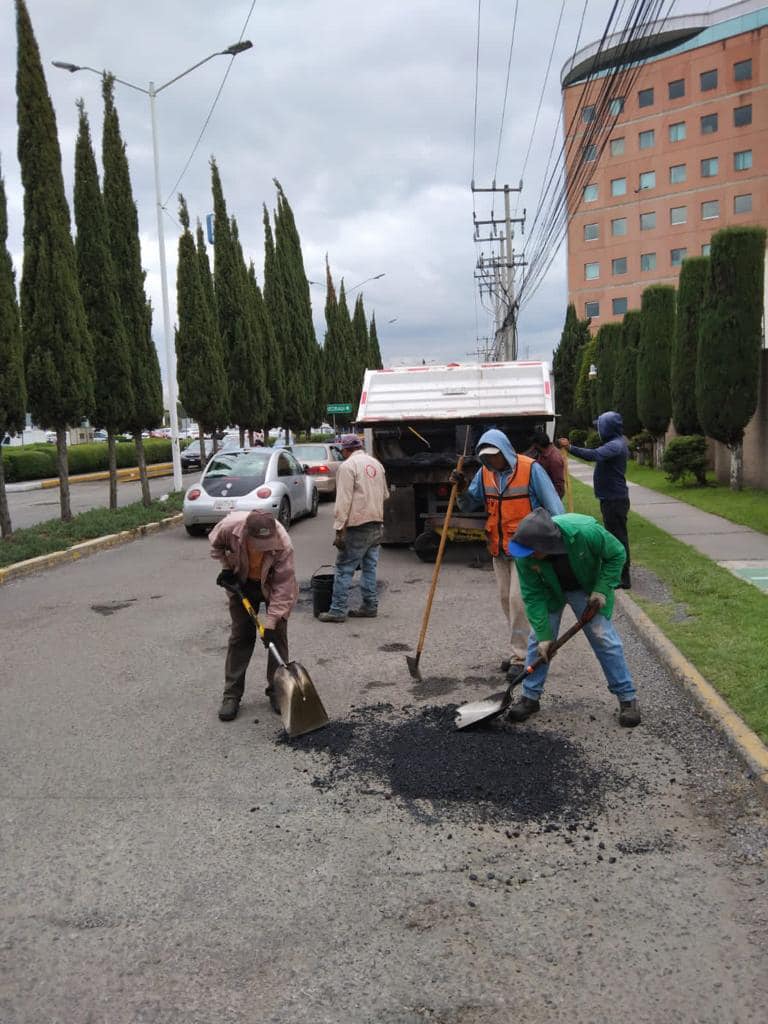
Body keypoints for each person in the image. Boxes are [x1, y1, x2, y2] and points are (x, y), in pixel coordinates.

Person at [504, 507, 640, 727]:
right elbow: (532, 595)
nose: (527, 556)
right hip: (551, 591)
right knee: (537, 643)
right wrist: (544, 636)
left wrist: (602, 589)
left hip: (586, 587)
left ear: (547, 545)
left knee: (604, 639)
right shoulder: (526, 553)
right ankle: (530, 697)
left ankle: (627, 698)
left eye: (531, 552)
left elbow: (617, 554)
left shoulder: (585, 531)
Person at [450, 428, 564, 680]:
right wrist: (461, 489)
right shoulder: (485, 473)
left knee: (518, 602)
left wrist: (558, 541)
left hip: (526, 548)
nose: (491, 461)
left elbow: (555, 506)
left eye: (494, 456)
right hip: (499, 547)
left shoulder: (530, 469)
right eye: (486, 457)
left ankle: (521, 656)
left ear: (505, 451)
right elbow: (470, 503)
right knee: (505, 600)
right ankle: (521, 649)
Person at [210, 508, 299, 722]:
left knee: (277, 635)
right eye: (258, 545)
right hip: (241, 581)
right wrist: (227, 568)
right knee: (241, 636)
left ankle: (277, 691)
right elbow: (216, 546)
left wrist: (271, 622)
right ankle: (231, 695)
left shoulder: (283, 543)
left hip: (270, 584)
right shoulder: (230, 529)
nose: (262, 550)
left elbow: (283, 587)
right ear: (246, 535)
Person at [319, 433, 389, 622]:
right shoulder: (376, 464)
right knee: (369, 567)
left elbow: (343, 501)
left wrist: (339, 528)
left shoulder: (347, 467)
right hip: (377, 523)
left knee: (343, 568)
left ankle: (338, 610)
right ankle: (369, 605)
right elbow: (385, 495)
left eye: (342, 450)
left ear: (346, 449)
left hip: (358, 525)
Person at [559, 411, 631, 589]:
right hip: (611, 497)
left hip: (615, 499)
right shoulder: (615, 443)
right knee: (615, 536)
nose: (598, 430)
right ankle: (619, 573)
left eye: (600, 426)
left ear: (607, 428)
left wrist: (570, 448)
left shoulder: (615, 446)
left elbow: (593, 455)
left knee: (618, 538)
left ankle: (624, 576)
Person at [525, 429, 565, 498]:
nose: (533, 447)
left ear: (537, 445)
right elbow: (528, 454)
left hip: (551, 496)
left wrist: (554, 501)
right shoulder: (543, 452)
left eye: (534, 445)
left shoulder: (554, 459)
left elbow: (559, 485)